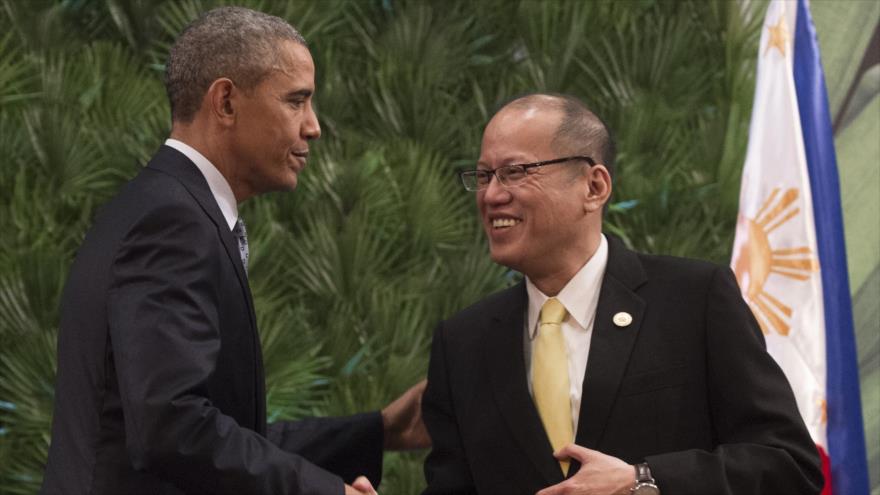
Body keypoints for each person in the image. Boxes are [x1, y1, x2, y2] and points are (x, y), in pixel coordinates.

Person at [41, 7, 427, 495]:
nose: (314, 127)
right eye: (297, 101)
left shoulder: (160, 204)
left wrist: (379, 430)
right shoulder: (173, 222)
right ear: (225, 101)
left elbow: (218, 427)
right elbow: (171, 428)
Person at [421, 93, 823, 495]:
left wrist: (643, 481)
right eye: (483, 175)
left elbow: (788, 467)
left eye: (515, 172)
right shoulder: (462, 343)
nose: (491, 195)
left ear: (594, 186)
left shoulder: (694, 301)